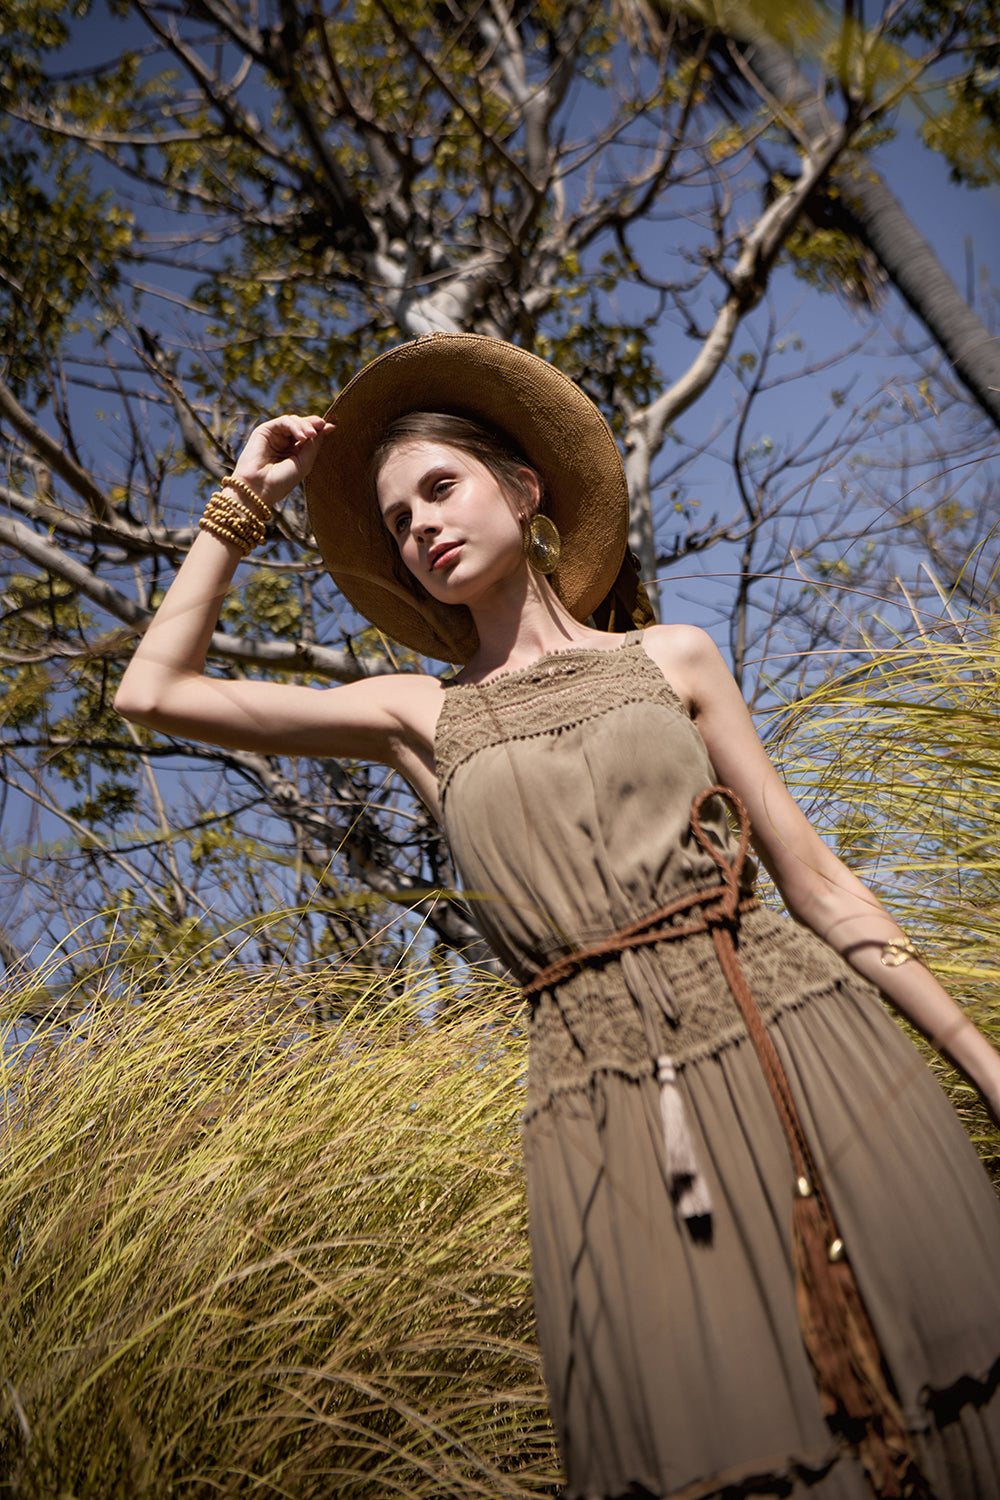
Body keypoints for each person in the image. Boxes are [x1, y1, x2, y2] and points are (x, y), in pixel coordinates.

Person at [116, 333, 1000, 1500]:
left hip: (804, 1036)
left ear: (523, 488)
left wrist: (982, 1062)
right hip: (603, 1100)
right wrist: (244, 496)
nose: (420, 526)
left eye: (439, 487)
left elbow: (818, 883)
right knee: (707, 1431)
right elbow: (153, 690)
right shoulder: (415, 715)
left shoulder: (672, 657)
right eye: (394, 521)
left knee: (937, 1373)